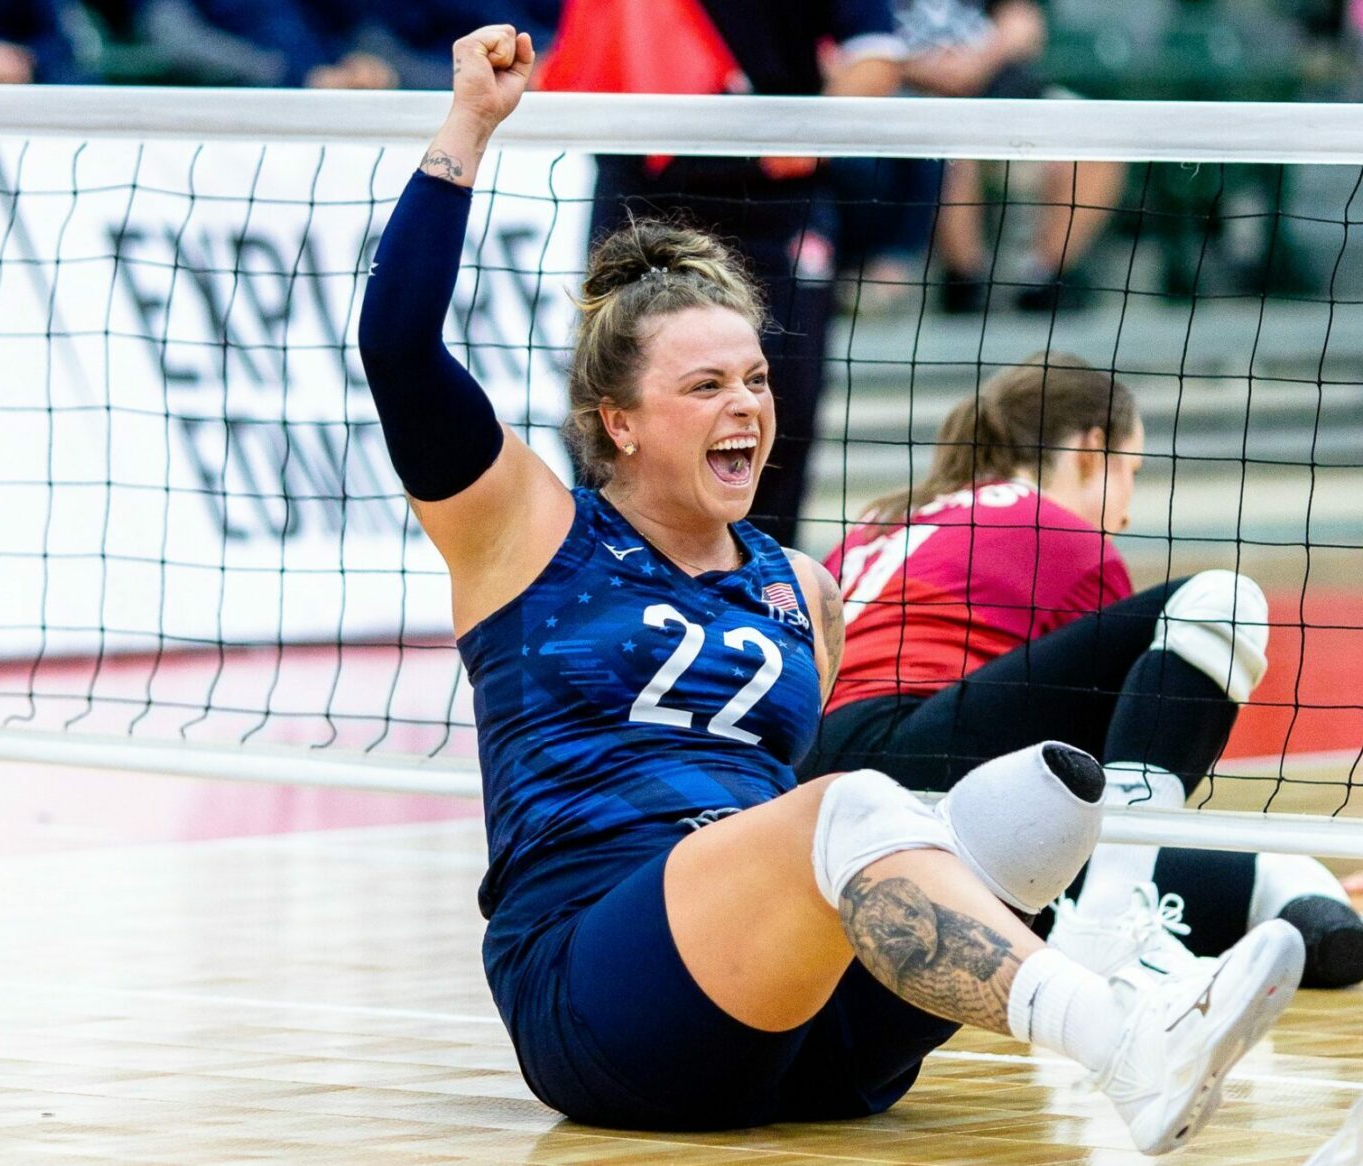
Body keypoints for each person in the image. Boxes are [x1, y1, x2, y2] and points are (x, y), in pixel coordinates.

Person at [358, 24, 1304, 1150]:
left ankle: (1122, 966)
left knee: (1042, 797)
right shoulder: (528, 529)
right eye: (704, 384)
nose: (747, 405)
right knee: (850, 804)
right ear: (619, 420)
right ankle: (1130, 1037)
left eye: (755, 377)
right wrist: (469, 124)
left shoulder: (797, 586)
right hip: (596, 984)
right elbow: (400, 347)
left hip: (786, 1018)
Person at [801, 353, 1363, 989]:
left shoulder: (875, 524)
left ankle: (1117, 921)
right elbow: (1117, 771)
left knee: (1306, 900)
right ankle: (1113, 926)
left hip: (812, 813)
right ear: (1092, 451)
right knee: (1220, 601)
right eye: (1133, 472)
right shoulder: (1059, 531)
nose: (1123, 513)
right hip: (924, 772)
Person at [537, 0, 907, 546]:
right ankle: (611, 571)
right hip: (644, 183)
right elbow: (549, 51)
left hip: (773, 198)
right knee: (614, 385)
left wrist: (809, 135)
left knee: (780, 399)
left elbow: (878, 56)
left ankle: (761, 577)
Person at [894, 0, 1123, 313]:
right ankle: (967, 283)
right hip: (912, 101)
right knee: (950, 154)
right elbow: (853, 46)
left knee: (1100, 143)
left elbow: (1024, 22)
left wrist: (976, 63)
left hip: (1003, 92)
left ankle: (1041, 279)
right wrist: (923, 70)